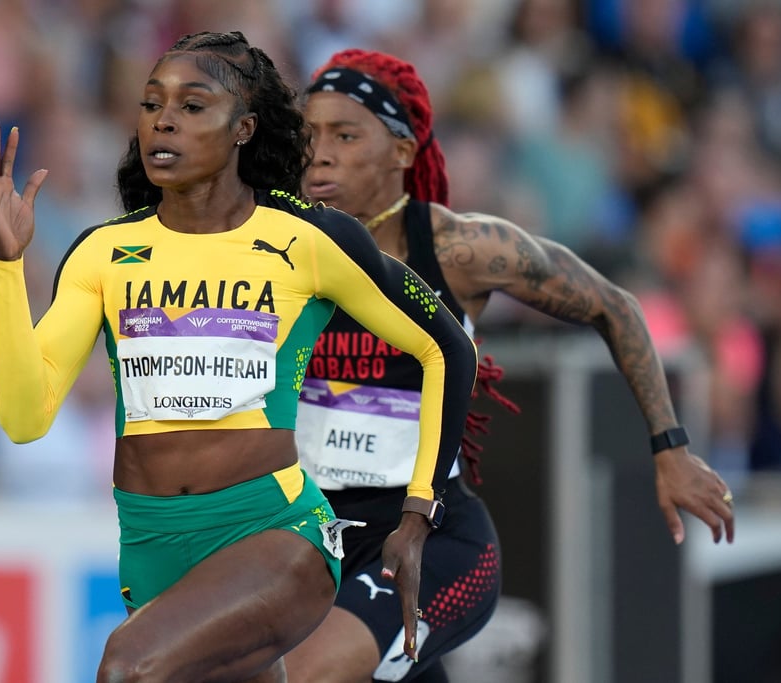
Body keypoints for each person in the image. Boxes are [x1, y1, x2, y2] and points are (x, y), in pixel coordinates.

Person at [0, 31, 478, 682]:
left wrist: (418, 508)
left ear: (243, 129)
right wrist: (5, 265)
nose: (165, 120)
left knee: (128, 668)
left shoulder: (309, 238)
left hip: (274, 532)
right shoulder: (102, 252)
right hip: (151, 546)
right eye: (153, 104)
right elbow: (23, 415)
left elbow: (445, 347)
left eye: (192, 105)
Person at [283, 49, 737, 683]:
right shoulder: (275, 249)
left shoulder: (458, 248)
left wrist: (670, 447)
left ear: (402, 153)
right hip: (314, 536)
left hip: (431, 543)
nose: (319, 153)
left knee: (300, 674)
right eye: (309, 135)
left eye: (344, 134)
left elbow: (613, 305)